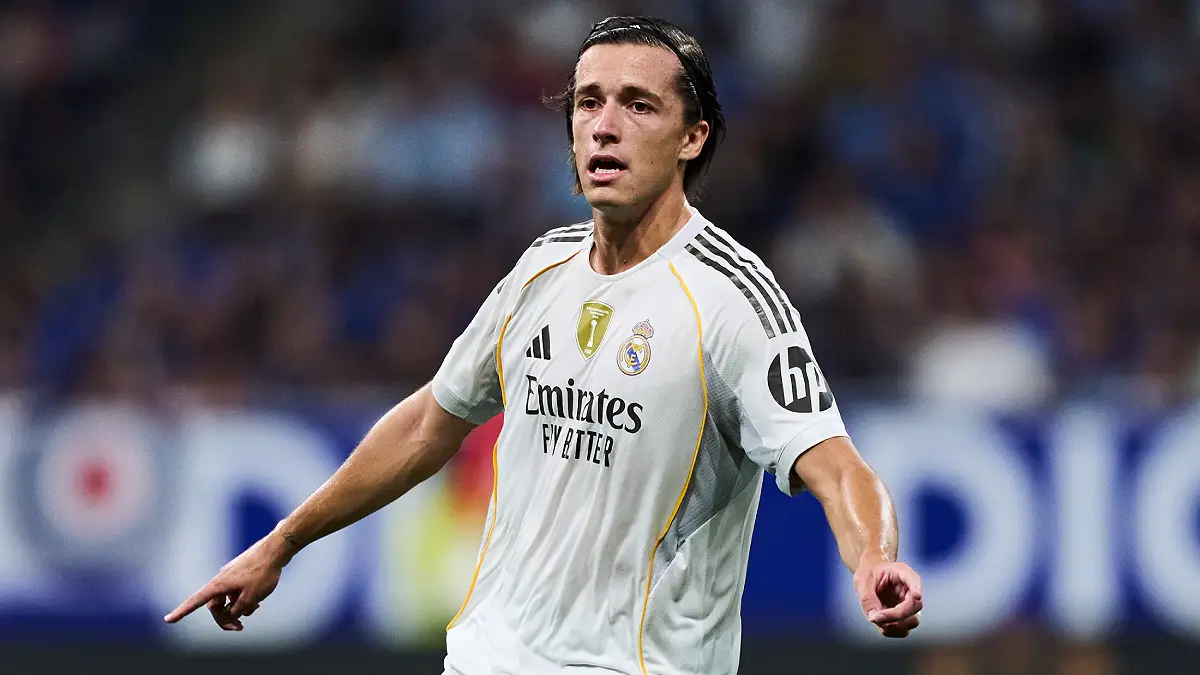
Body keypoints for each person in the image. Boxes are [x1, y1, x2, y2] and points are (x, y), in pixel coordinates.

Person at [164, 16, 923, 674]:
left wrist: (875, 559)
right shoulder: (542, 269)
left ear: (694, 138)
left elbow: (834, 462)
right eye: (588, 102)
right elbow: (432, 420)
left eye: (638, 105)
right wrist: (283, 541)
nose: (604, 124)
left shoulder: (732, 298)